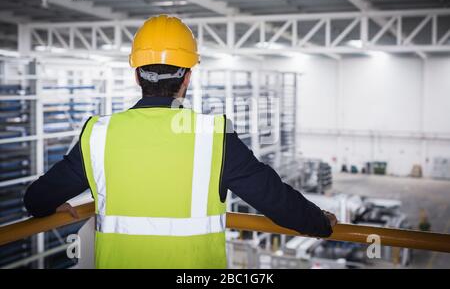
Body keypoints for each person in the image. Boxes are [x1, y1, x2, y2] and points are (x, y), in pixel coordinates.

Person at [23, 15, 337, 268]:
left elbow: (36, 199)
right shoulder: (215, 136)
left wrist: (51, 206)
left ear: (137, 75)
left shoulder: (98, 134)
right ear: (187, 77)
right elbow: (276, 200)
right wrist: (321, 223)